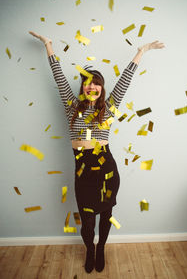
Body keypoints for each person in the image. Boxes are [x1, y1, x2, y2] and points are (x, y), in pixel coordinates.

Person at [29, 31, 164, 273]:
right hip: (82, 169)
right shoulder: (72, 106)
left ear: (102, 89)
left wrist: (141, 51)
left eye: (97, 83)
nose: (93, 86)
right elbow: (59, 77)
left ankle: (101, 247)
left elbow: (124, 81)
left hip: (106, 168)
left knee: (105, 214)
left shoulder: (109, 108)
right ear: (83, 86)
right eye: (89, 82)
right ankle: (89, 249)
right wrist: (48, 45)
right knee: (87, 220)